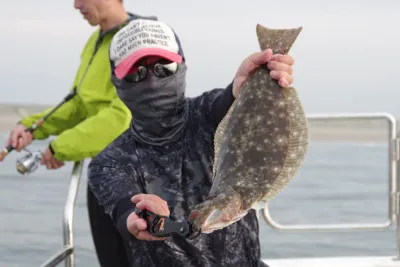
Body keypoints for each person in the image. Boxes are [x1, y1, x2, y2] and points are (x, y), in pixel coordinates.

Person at [88, 18, 296, 267]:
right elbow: (124, 209)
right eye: (138, 73)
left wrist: (248, 85)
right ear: (118, 82)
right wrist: (138, 217)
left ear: (182, 66)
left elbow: (226, 103)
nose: (153, 80)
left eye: (164, 68)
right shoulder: (109, 163)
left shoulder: (208, 114)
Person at [2, 1, 157, 266]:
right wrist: (32, 128)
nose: (75, 5)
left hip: (140, 178)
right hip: (104, 174)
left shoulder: (141, 38)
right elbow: (79, 104)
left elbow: (122, 114)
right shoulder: (96, 41)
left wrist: (60, 147)